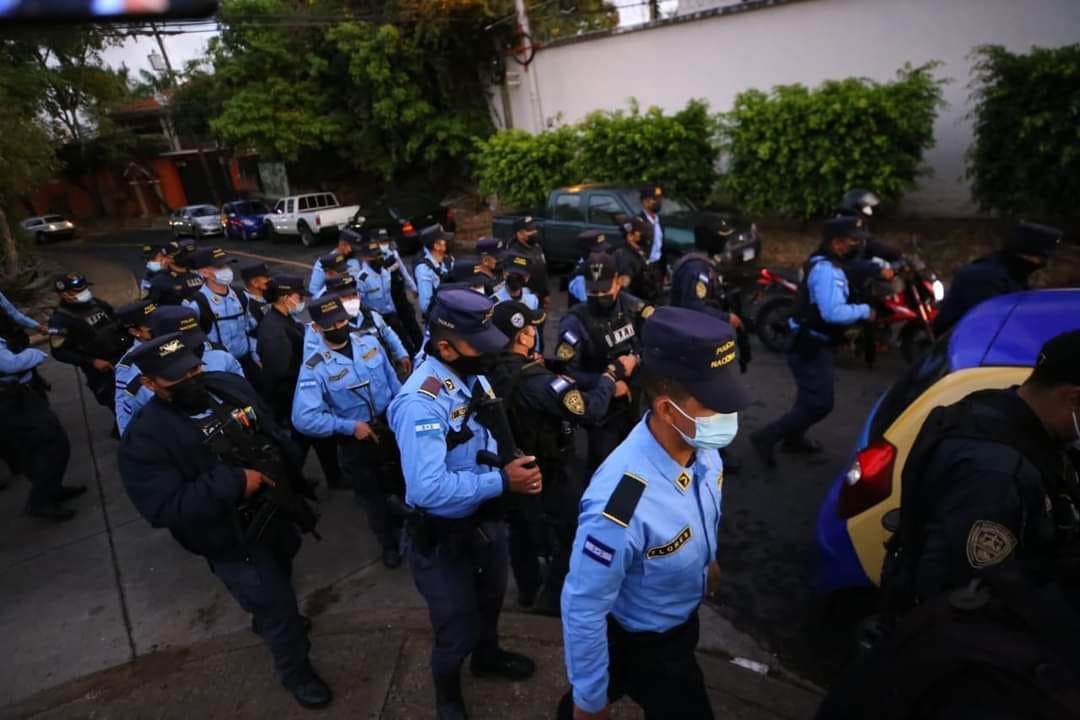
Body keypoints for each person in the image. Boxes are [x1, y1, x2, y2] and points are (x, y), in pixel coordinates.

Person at [819, 331, 1080, 720]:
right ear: (1073, 398)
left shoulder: (992, 408)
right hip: (947, 661)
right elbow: (967, 591)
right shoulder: (997, 475)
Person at [117, 333, 331, 709]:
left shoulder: (227, 387)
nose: (191, 380)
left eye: (194, 370)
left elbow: (268, 427)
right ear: (150, 384)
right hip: (232, 539)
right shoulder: (146, 438)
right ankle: (297, 672)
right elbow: (163, 507)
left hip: (276, 513)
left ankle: (269, 616)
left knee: (283, 568)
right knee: (277, 610)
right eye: (177, 378)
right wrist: (234, 483)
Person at [559, 306, 749, 720]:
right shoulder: (621, 502)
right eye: (715, 405)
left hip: (680, 623)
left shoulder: (703, 451)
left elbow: (699, 513)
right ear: (667, 410)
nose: (729, 416)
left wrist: (707, 560)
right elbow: (584, 605)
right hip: (641, 639)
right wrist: (589, 702)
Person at [388, 288, 540, 720]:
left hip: (485, 522)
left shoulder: (473, 374)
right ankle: (448, 693)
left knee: (491, 600)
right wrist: (503, 480)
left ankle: (487, 658)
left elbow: (486, 431)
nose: (491, 353)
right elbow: (427, 489)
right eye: (481, 346)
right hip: (444, 537)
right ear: (445, 348)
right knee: (455, 626)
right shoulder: (421, 403)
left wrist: (512, 463)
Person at [489, 300, 627, 616]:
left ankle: (527, 591)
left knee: (520, 533)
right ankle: (552, 602)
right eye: (532, 329)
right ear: (524, 336)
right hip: (548, 472)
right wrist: (610, 377)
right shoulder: (539, 382)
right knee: (570, 534)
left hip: (510, 469)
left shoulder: (492, 369)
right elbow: (589, 409)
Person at [292, 295, 405, 568]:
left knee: (403, 482)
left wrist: (403, 413)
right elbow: (303, 418)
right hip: (357, 440)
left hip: (390, 427)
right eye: (331, 324)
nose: (339, 327)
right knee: (373, 496)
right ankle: (388, 543)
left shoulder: (369, 343)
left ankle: (411, 528)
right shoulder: (314, 367)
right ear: (317, 328)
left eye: (342, 321)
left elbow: (393, 382)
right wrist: (348, 427)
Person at [750, 218, 873, 468]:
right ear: (837, 243)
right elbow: (832, 312)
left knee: (809, 399)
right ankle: (765, 436)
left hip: (813, 343)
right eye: (853, 241)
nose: (857, 245)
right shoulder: (827, 270)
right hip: (811, 346)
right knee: (819, 403)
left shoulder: (829, 263)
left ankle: (793, 439)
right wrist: (864, 310)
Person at [556, 252, 651, 475]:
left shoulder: (634, 309)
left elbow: (654, 346)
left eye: (604, 290)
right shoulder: (575, 321)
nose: (599, 296)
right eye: (593, 292)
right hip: (603, 410)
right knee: (604, 469)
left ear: (617, 282)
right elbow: (566, 372)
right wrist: (608, 383)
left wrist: (636, 359)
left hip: (638, 402)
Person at [259, 274, 343, 492]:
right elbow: (281, 369)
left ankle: (326, 478)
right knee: (302, 442)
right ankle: (288, 484)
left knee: (316, 438)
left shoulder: (284, 319)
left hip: (298, 392)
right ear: (285, 297)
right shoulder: (274, 329)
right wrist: (314, 376)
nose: (302, 301)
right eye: (299, 296)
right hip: (292, 395)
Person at [115, 305, 248, 435]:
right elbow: (129, 429)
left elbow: (243, 394)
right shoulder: (139, 377)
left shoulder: (219, 355)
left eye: (195, 339)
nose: (194, 348)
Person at [0, 307, 80, 522]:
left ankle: (49, 489)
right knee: (53, 443)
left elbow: (11, 312)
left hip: (18, 393)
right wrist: (34, 354)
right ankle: (40, 500)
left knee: (32, 446)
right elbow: (10, 364)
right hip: (10, 399)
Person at [933, 221, 1063, 334]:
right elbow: (992, 323)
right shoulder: (985, 277)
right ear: (1024, 254)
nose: (1041, 263)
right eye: (1039, 258)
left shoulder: (1012, 273)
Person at [48, 272, 130, 413]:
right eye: (78, 291)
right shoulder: (60, 320)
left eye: (85, 289)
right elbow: (58, 352)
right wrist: (92, 361)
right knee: (120, 407)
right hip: (103, 369)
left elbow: (117, 320)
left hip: (123, 357)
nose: (84, 293)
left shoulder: (96, 303)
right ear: (63, 294)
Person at [185, 247, 261, 381]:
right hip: (219, 368)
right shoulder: (195, 304)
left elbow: (250, 328)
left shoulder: (242, 295)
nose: (226, 270)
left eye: (227, 265)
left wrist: (255, 353)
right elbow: (192, 341)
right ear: (204, 272)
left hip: (247, 362)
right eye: (219, 267)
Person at [113, 299, 158, 436]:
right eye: (150, 324)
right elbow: (125, 407)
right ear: (134, 331)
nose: (158, 325)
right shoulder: (129, 366)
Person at [376, 228, 423, 352]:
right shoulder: (375, 259)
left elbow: (403, 271)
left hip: (400, 295)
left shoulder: (394, 253)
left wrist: (413, 287)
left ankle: (421, 348)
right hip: (387, 299)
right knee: (397, 330)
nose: (384, 244)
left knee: (411, 322)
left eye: (386, 241)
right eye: (382, 242)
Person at [414, 225, 455, 318]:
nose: (446, 242)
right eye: (443, 240)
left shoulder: (449, 260)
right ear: (436, 246)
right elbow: (426, 306)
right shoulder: (424, 269)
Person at [146, 242, 204, 306]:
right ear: (167, 259)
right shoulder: (159, 280)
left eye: (185, 254)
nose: (185, 257)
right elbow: (150, 306)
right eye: (180, 255)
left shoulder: (200, 275)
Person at [510, 216, 550, 309]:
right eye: (530, 230)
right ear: (519, 234)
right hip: (526, 302)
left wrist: (546, 294)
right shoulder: (515, 255)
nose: (534, 232)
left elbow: (542, 271)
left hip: (540, 298)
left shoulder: (537, 246)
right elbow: (516, 284)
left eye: (534, 229)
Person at [307, 231, 362, 297]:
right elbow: (313, 291)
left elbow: (359, 282)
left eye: (353, 247)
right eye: (349, 246)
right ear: (341, 244)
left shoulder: (354, 261)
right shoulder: (323, 262)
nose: (351, 250)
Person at [611, 216, 652, 302]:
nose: (644, 233)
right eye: (640, 230)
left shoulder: (639, 250)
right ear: (630, 236)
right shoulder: (623, 257)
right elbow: (624, 291)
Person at [567, 230, 612, 308]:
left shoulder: (595, 266)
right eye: (600, 251)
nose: (604, 253)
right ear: (587, 253)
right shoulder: (580, 276)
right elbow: (591, 305)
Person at [639, 186, 666, 294]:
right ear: (645, 202)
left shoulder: (659, 221)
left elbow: (661, 247)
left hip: (657, 268)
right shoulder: (638, 222)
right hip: (644, 270)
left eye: (659, 199)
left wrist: (664, 271)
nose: (658, 202)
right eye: (654, 199)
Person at [240, 263, 272, 327]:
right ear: (255, 283)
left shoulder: (268, 295)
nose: (270, 280)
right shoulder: (246, 303)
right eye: (267, 278)